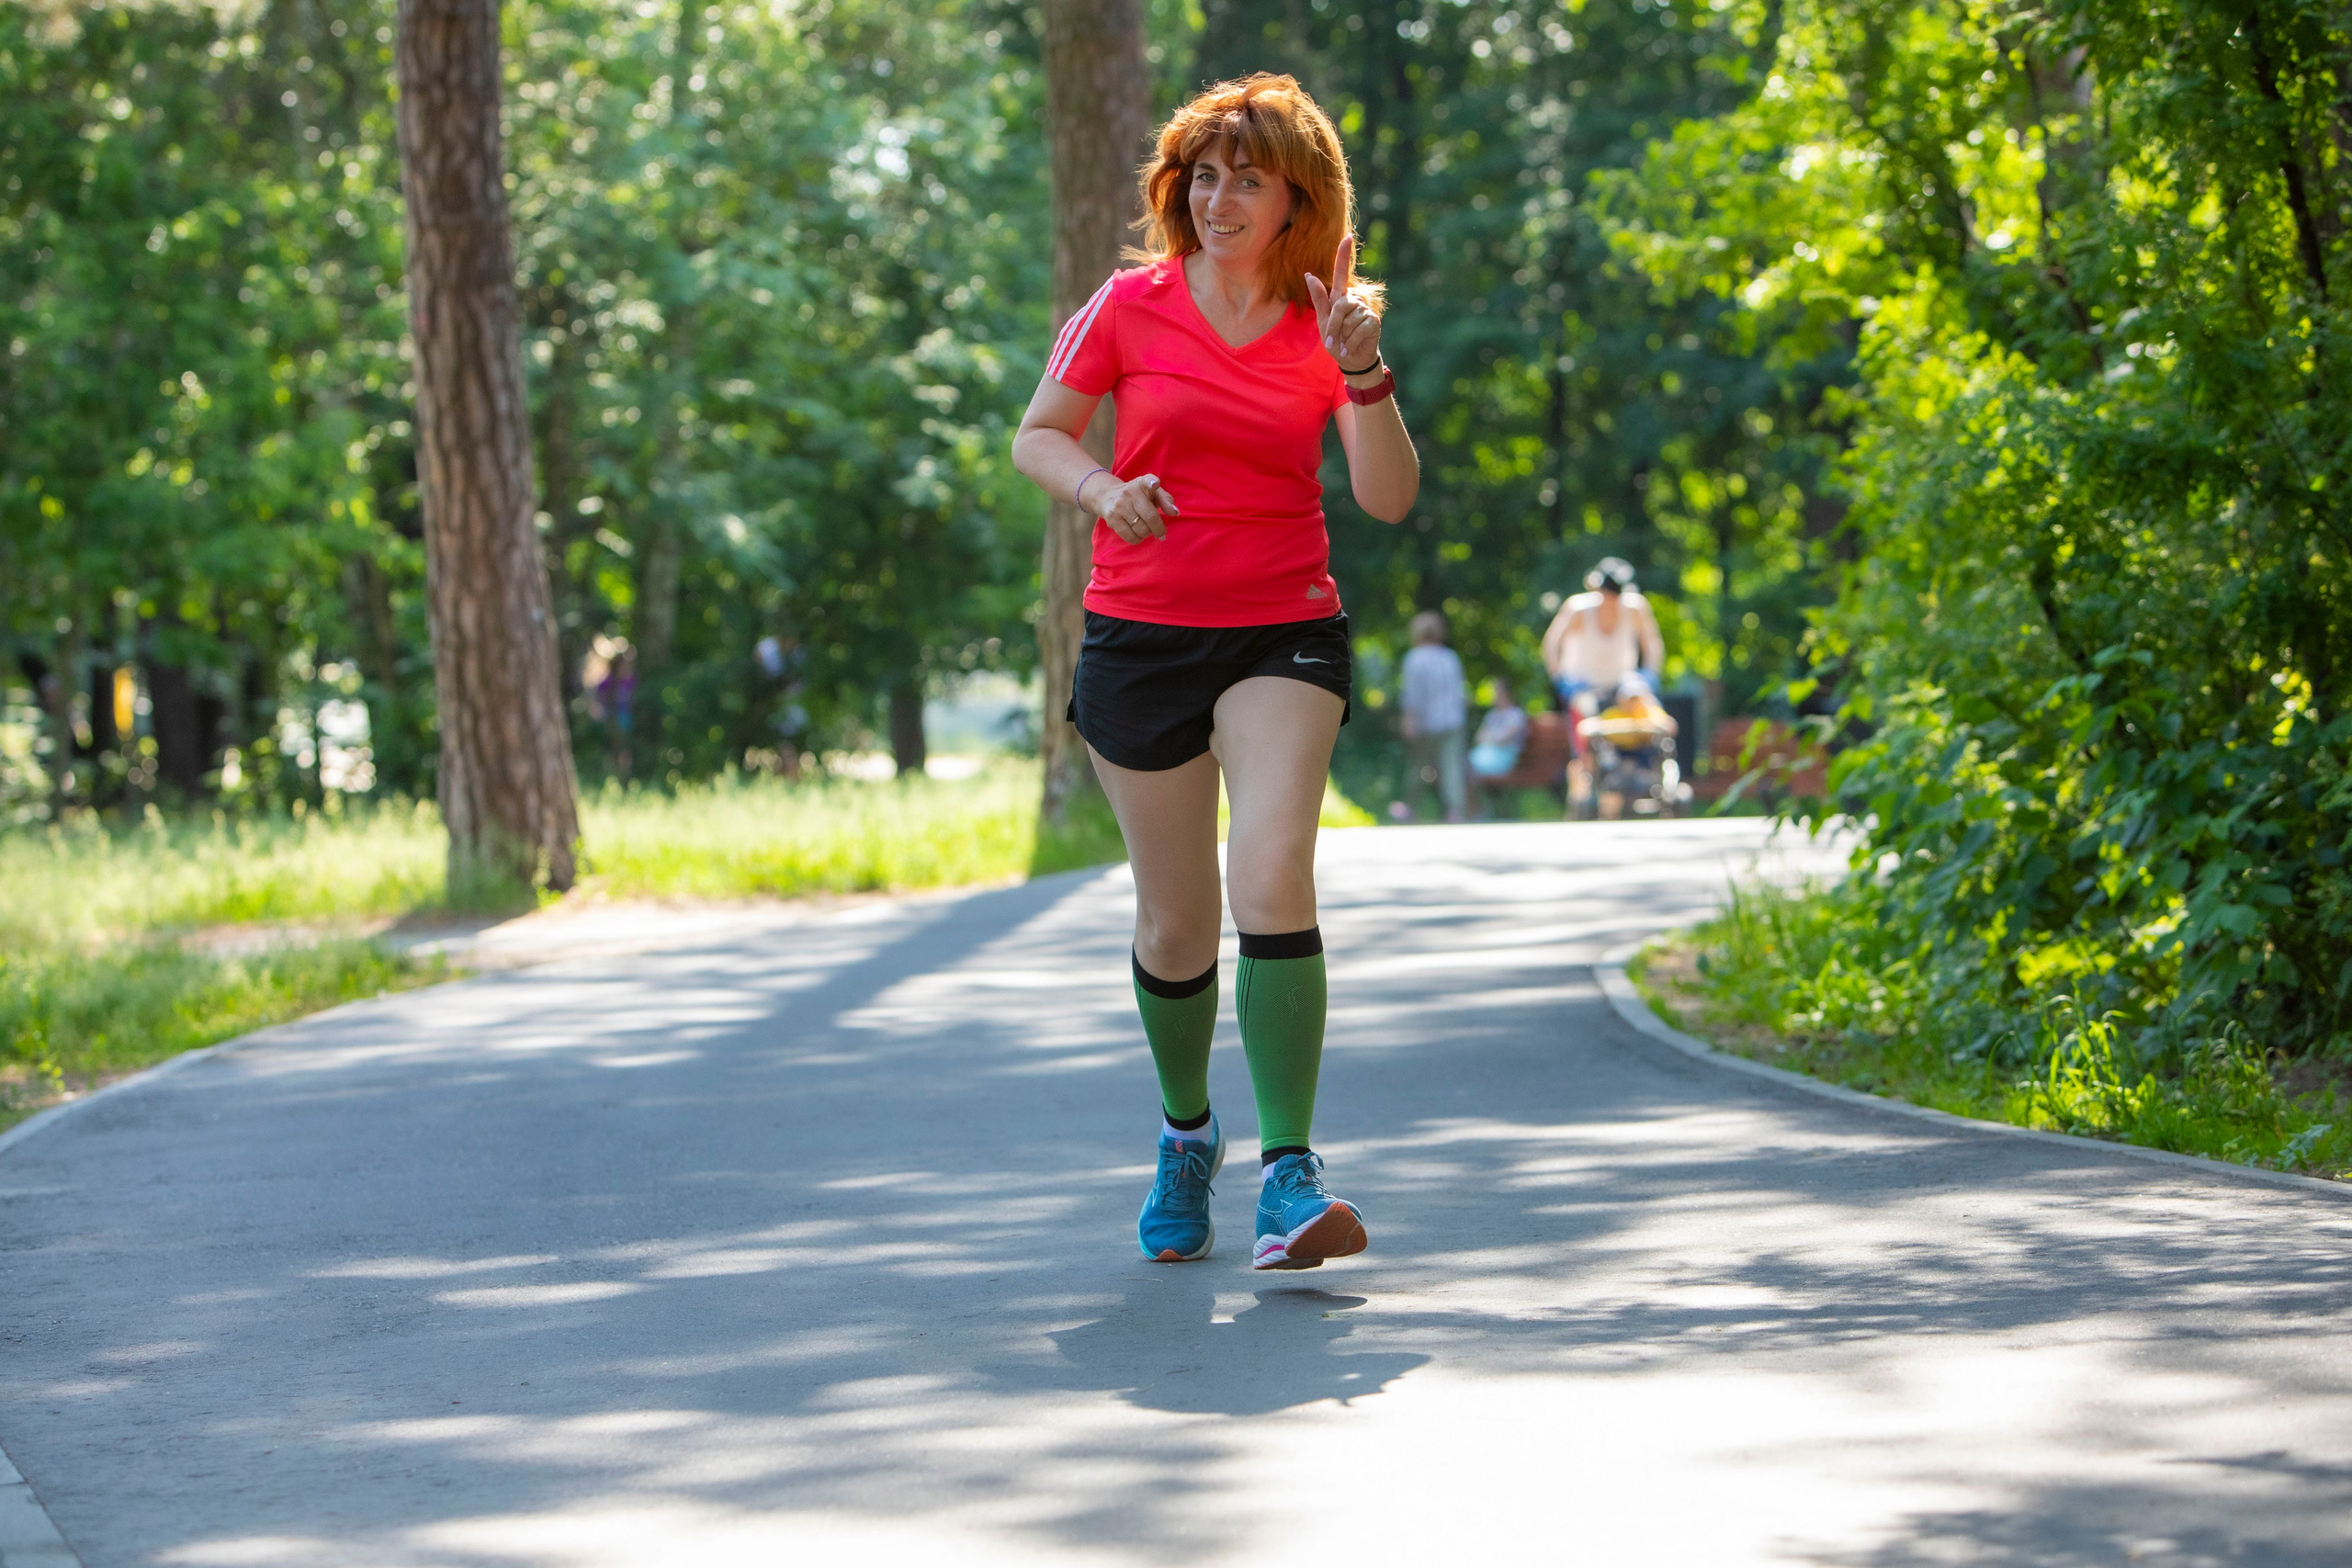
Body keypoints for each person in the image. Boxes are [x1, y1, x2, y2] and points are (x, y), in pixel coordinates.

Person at [1011, 73, 1419, 1270]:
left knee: (1273, 867)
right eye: (1203, 173)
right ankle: (1188, 1133)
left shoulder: (1327, 320)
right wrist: (1103, 490)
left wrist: (1365, 370)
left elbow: (1387, 498)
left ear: (1300, 192)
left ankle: (1290, 1172)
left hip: (1280, 627)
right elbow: (1038, 433)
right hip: (1139, 634)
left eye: (1248, 175)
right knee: (1176, 918)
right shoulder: (1130, 304)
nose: (1220, 194)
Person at [1398, 610, 1467, 823]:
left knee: (1419, 766)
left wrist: (1409, 720)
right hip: (1453, 721)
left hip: (1425, 722)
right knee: (1452, 766)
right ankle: (1455, 810)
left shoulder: (1415, 658)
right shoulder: (1450, 657)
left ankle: (1410, 807)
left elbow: (1413, 695)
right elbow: (1459, 692)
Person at [1467, 676, 1530, 790]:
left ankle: (1473, 805)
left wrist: (1489, 738)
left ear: (1507, 693)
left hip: (1504, 757)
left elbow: (1503, 739)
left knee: (1466, 767)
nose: (1495, 694)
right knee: (1464, 765)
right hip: (1485, 753)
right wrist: (1493, 738)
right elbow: (1478, 738)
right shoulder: (1492, 715)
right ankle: (1472, 805)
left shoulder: (1516, 715)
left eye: (1497, 690)